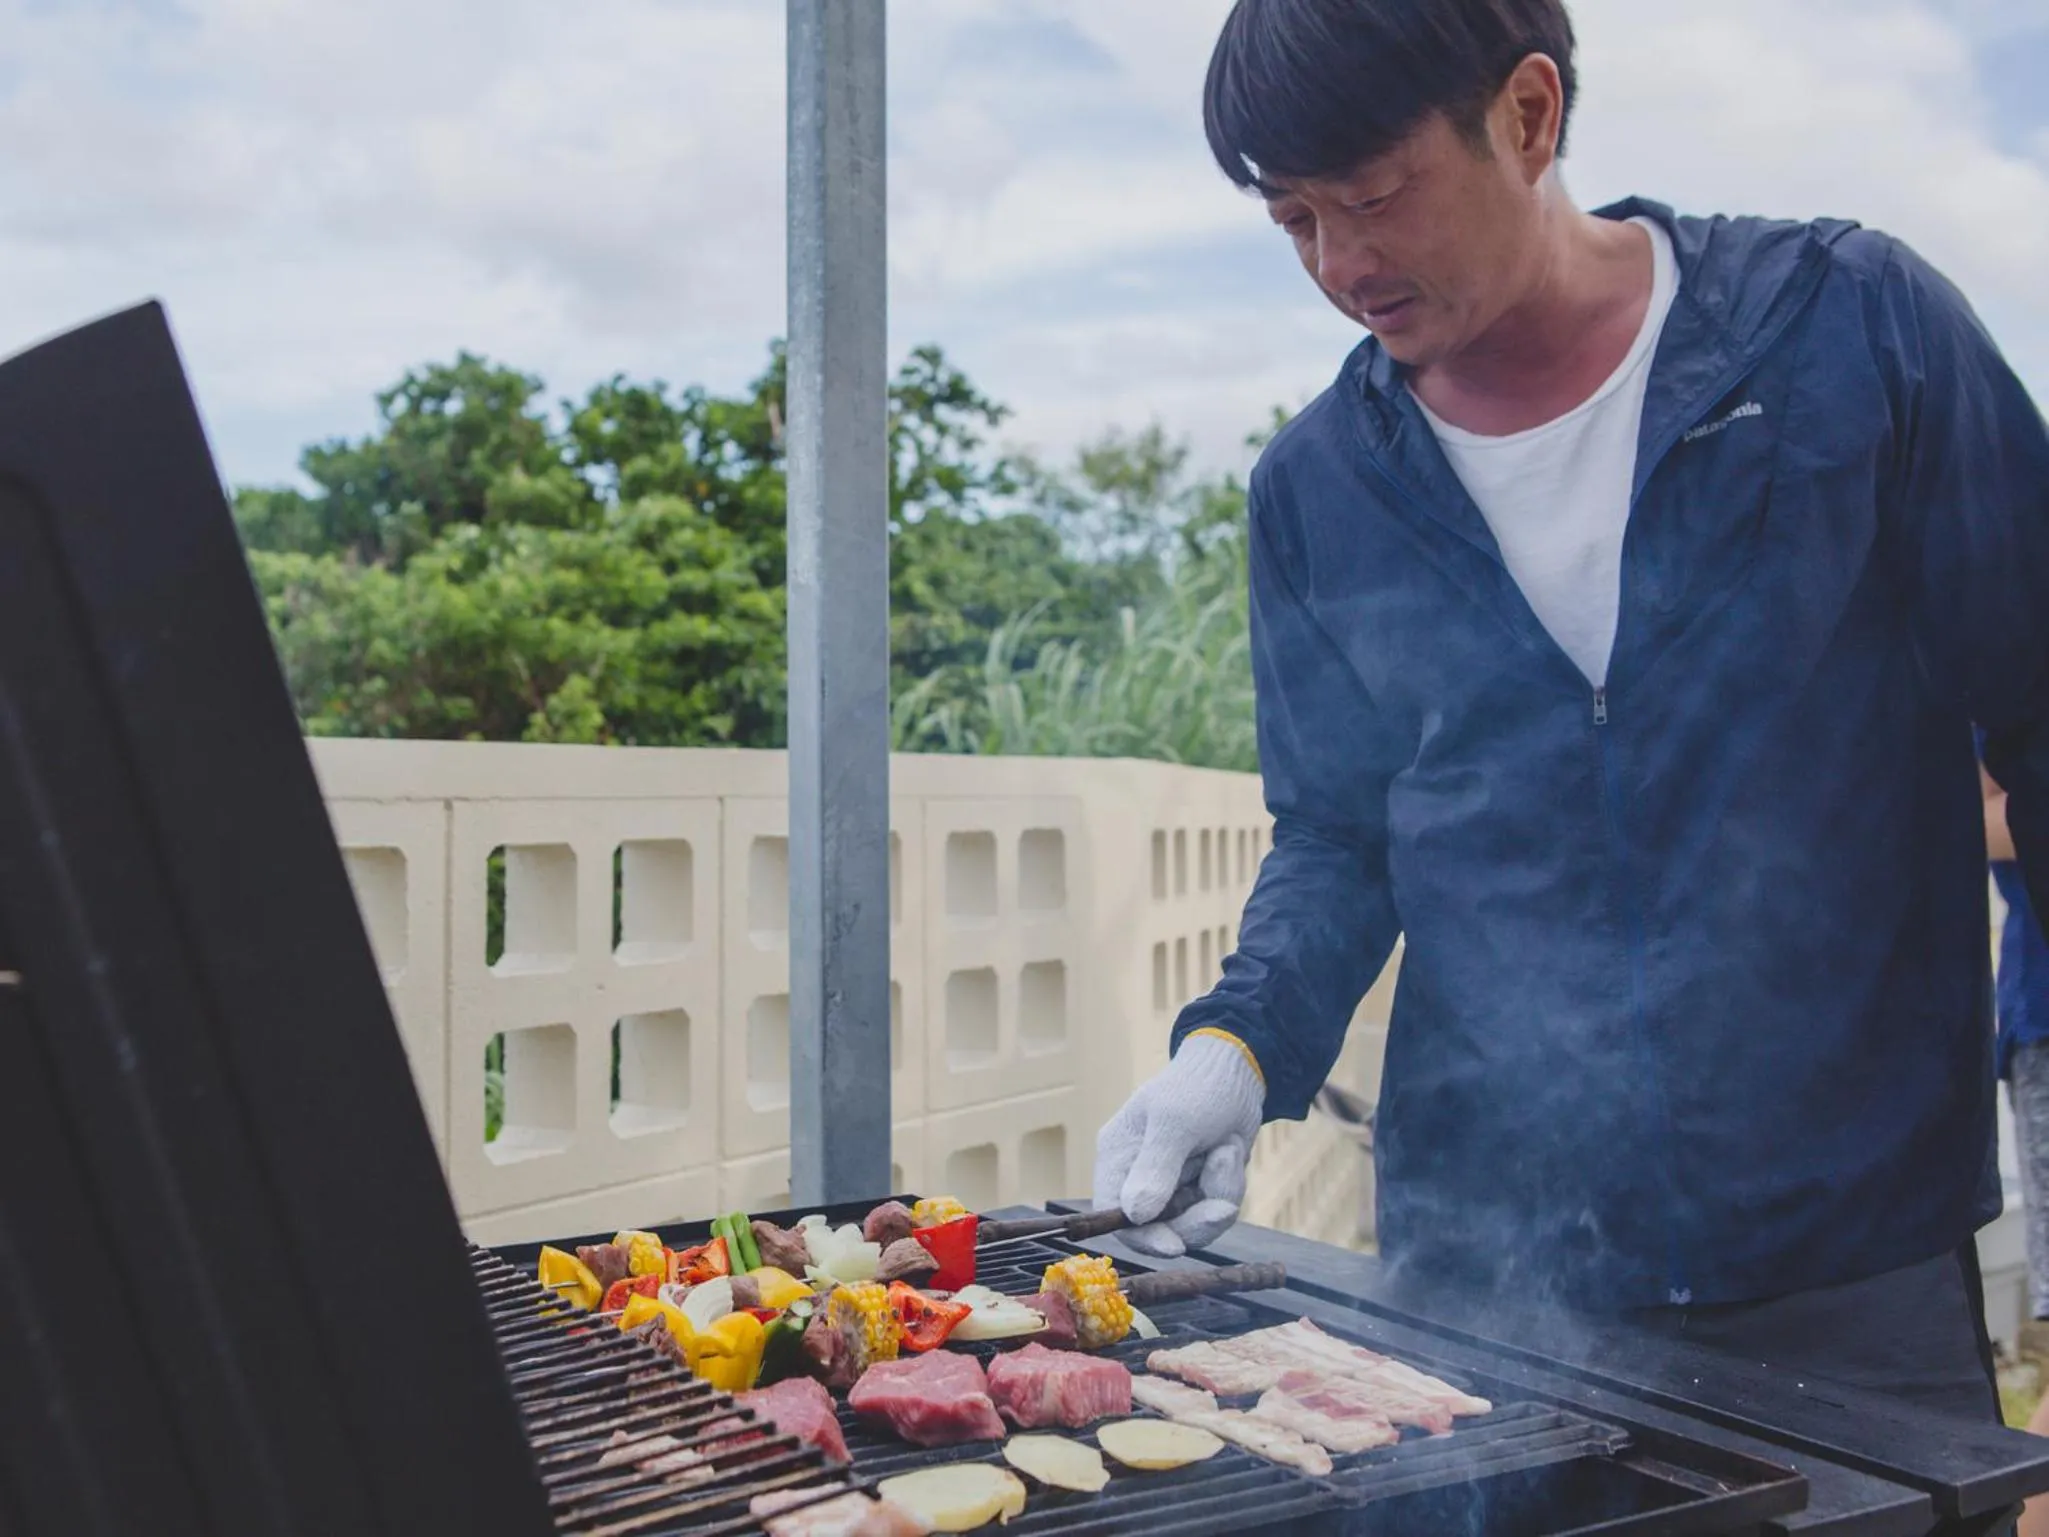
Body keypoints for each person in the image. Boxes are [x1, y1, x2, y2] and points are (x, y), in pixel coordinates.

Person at [1094, 0, 2049, 1426]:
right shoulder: (1319, 489)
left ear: (1530, 116)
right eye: (1292, 220)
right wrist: (1234, 1051)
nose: (1342, 265)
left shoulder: (1848, 334)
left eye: (1371, 197)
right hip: (1495, 1272)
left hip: (1853, 1253)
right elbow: (1341, 840)